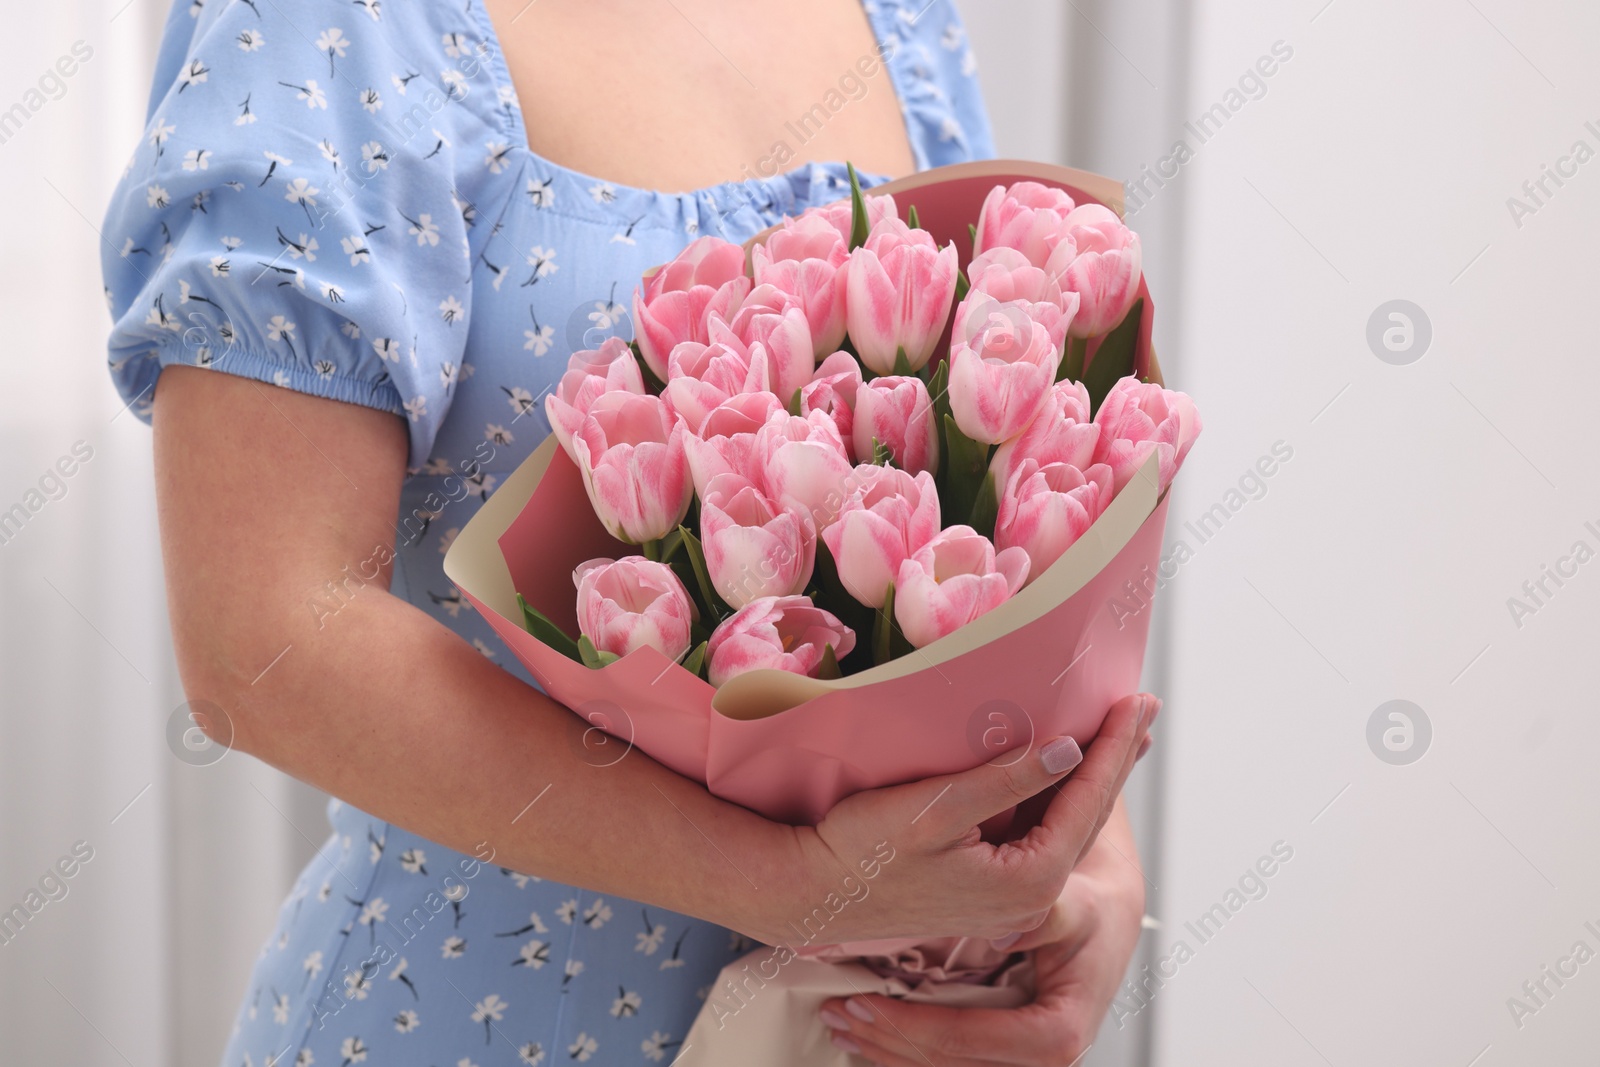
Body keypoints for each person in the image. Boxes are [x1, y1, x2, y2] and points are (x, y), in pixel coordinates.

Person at [100, 0, 1156, 1063]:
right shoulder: (334, 23)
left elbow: (999, 505)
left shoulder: (902, 18)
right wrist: (779, 883)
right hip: (481, 1017)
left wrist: (1089, 870)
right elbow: (265, 642)